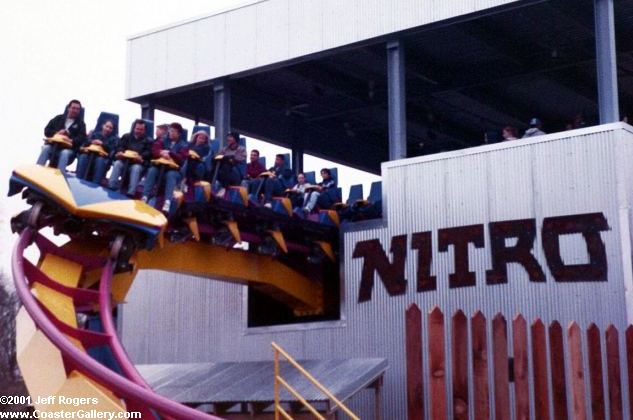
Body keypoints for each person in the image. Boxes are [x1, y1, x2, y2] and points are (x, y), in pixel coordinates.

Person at [142, 122, 189, 212]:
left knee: (170, 175)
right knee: (152, 170)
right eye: (170, 131)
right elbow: (154, 150)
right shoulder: (162, 140)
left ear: (179, 134)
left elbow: (182, 159)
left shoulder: (184, 145)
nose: (171, 133)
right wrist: (161, 152)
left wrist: (170, 153)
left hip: (174, 170)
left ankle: (167, 201)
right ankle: (145, 196)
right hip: (159, 167)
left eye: (174, 131)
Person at [37, 99, 87, 172]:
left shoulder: (81, 124)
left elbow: (82, 138)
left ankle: (60, 175)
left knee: (64, 153)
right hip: (53, 146)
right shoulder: (58, 118)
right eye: (73, 108)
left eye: (77, 109)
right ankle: (38, 171)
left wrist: (70, 139)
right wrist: (57, 133)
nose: (75, 110)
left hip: (68, 149)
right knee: (46, 148)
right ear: (68, 108)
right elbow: (47, 130)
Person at [107, 119, 152, 196]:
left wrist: (141, 156)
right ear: (134, 128)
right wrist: (121, 152)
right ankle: (111, 187)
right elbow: (120, 146)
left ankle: (131, 193)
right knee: (117, 163)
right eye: (137, 129)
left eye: (141, 129)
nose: (139, 131)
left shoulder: (148, 141)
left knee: (136, 168)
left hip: (137, 163)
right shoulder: (126, 136)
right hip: (124, 161)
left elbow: (148, 153)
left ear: (144, 130)